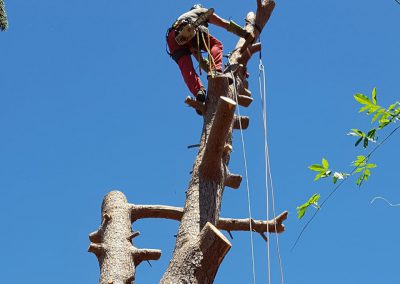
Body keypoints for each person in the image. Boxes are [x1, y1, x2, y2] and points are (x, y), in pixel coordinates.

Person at [166, 4, 250, 103]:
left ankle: (199, 92)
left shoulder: (182, 18)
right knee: (216, 45)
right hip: (189, 28)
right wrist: (243, 33)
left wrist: (212, 74)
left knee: (186, 67)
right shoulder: (201, 11)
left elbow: (200, 61)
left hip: (173, 38)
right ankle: (216, 72)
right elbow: (223, 23)